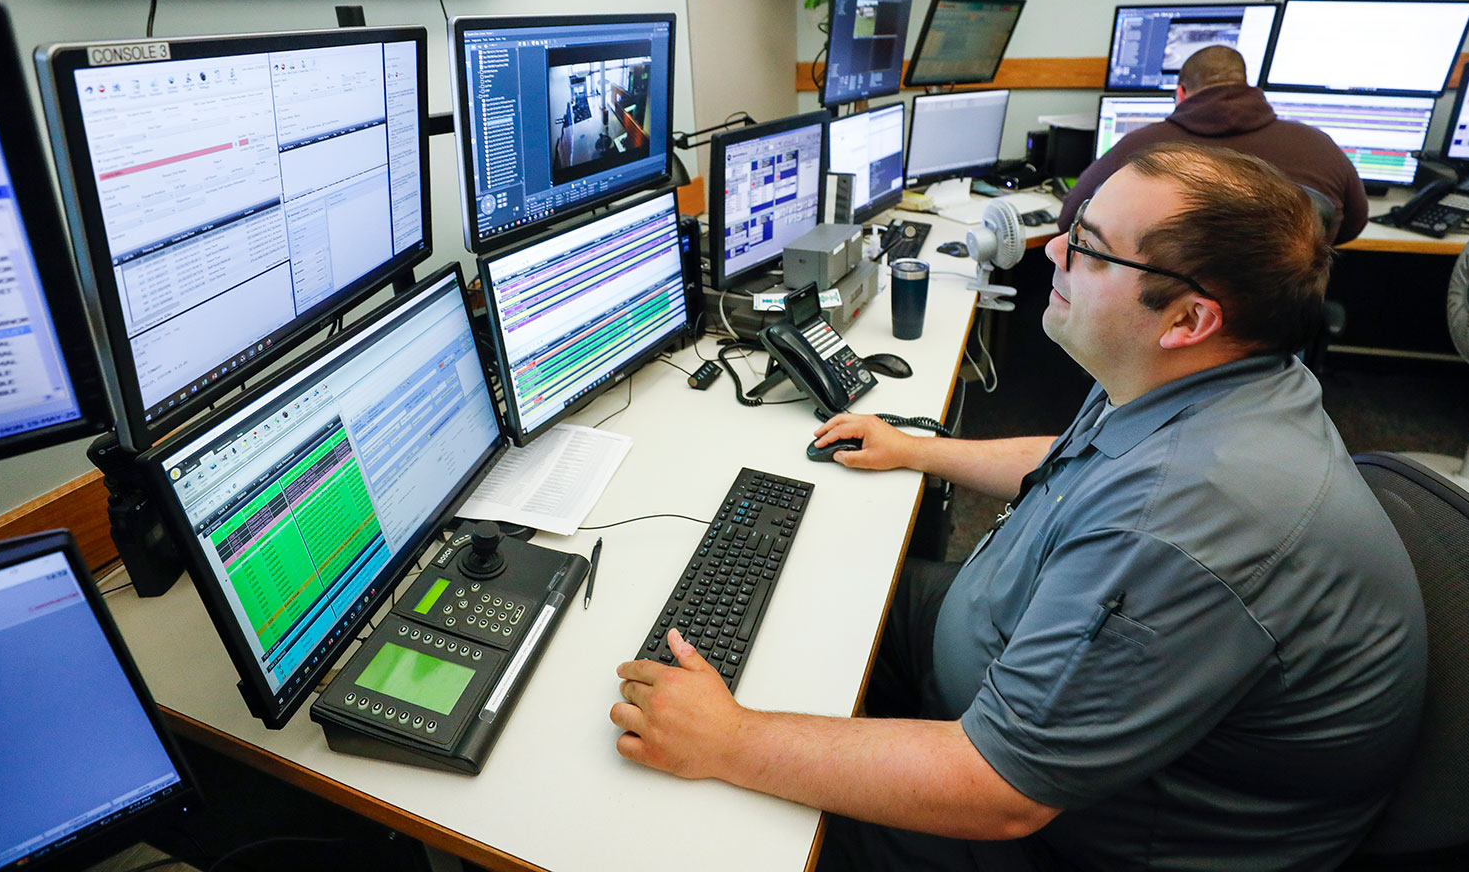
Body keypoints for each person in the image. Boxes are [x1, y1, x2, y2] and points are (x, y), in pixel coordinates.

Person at [611, 143, 1426, 871]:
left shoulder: (1187, 521)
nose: (1055, 251)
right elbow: (1076, 461)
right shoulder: (1205, 375)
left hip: (1068, 834)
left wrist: (732, 741)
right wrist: (918, 450)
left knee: (711, 837)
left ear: (1188, 318)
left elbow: (999, 792)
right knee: (817, 577)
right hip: (1012, 648)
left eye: (1088, 247)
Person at [1060, 44, 1370, 244]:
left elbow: (1070, 220)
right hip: (1279, 314)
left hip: (1170, 314)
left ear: (1181, 93)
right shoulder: (1318, 145)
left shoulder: (1140, 148)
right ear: (1246, 86)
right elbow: (1352, 226)